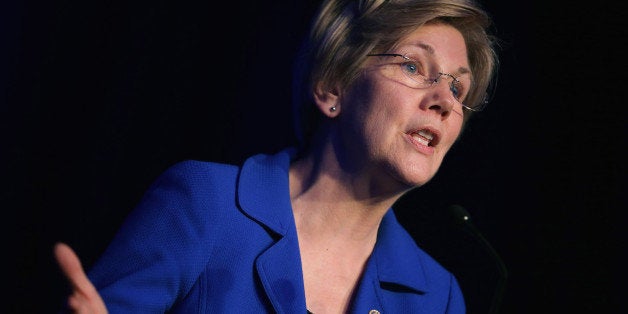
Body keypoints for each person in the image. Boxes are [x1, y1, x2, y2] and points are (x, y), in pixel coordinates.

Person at [54, 0, 499, 312]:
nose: (444, 99)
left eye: (458, 87)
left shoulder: (435, 297)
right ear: (332, 86)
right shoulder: (206, 205)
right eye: (413, 66)